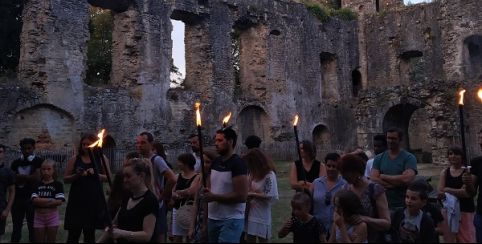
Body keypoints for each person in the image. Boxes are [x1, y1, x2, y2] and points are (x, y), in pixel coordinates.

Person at [203, 128, 248, 243]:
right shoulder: (216, 162)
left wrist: (214, 197)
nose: (216, 144)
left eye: (220, 140)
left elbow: (241, 196)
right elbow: (210, 192)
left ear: (230, 142)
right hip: (213, 218)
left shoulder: (238, 164)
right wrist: (205, 220)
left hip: (231, 219)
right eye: (215, 140)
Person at [64, 134, 110, 243]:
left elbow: (108, 177)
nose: (85, 146)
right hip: (77, 200)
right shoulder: (75, 158)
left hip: (93, 200)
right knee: (73, 234)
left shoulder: (101, 158)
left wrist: (96, 174)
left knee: (89, 234)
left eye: (88, 144)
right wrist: (77, 175)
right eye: (83, 144)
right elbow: (65, 179)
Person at [98, 158, 158, 242]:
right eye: (124, 176)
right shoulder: (127, 196)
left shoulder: (150, 200)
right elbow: (114, 224)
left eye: (128, 176)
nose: (125, 180)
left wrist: (122, 233)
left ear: (141, 176)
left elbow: (147, 235)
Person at [338, 154, 391, 242]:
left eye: (345, 173)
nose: (343, 177)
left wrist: (365, 219)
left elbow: (387, 223)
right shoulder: (345, 189)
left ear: (356, 171)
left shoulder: (375, 190)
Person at [137, 131, 176, 242]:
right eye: (138, 143)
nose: (140, 145)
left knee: (158, 235)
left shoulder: (157, 160)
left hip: (156, 204)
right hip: (143, 203)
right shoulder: (139, 160)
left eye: (143, 143)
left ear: (151, 144)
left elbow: (172, 178)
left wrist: (162, 196)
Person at [370, 127, 417, 210]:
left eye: (394, 138)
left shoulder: (409, 158)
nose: (390, 141)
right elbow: (373, 179)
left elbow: (407, 179)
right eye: (388, 138)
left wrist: (383, 176)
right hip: (383, 204)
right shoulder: (379, 158)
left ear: (400, 140)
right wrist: (393, 184)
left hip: (403, 204)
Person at [438, 146, 476, 243]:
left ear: (462, 156)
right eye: (450, 154)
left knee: (467, 239)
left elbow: (466, 193)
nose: (453, 156)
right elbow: (440, 192)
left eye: (456, 154)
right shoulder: (445, 172)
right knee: (450, 239)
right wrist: (452, 191)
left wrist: (448, 189)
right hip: (449, 212)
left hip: (465, 211)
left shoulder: (467, 172)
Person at [242, 148, 279, 243]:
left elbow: (269, 194)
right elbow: (247, 188)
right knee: (250, 239)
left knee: (264, 240)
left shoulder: (269, 175)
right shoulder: (252, 174)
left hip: (262, 214)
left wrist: (252, 194)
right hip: (251, 212)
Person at [10, 138, 42, 243]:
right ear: (21, 149)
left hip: (32, 198)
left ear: (34, 148)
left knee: (32, 226)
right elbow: (12, 178)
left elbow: (37, 178)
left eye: (29, 148)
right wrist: (28, 177)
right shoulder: (15, 163)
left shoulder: (38, 161)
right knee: (16, 227)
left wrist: (19, 176)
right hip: (17, 198)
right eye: (24, 149)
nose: (27, 151)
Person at [311, 153, 346, 236]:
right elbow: (309, 204)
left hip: (337, 230)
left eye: (334, 166)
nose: (331, 169)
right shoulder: (316, 183)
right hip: (317, 229)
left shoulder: (344, 185)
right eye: (328, 166)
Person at [31, 160, 65, 243]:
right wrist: (51, 200)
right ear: (41, 170)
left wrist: (41, 200)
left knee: (51, 240)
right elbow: (34, 200)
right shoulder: (36, 184)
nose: (46, 171)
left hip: (52, 216)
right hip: (38, 216)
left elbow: (59, 201)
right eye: (43, 169)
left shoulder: (58, 185)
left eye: (49, 169)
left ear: (54, 170)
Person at [170, 153, 200, 243]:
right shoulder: (177, 176)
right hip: (177, 210)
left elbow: (191, 191)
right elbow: (172, 191)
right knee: (177, 237)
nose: (178, 164)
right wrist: (176, 194)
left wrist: (179, 193)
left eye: (179, 162)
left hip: (189, 210)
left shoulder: (197, 177)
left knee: (189, 237)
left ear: (186, 163)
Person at [465, 128, 482, 242]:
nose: (480, 143)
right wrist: (468, 183)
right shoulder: (477, 162)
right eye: (480, 139)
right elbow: (472, 192)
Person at [0, 144, 15, 241]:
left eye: (0, 151)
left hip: (0, 207)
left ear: (3, 154)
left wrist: (7, 210)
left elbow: (12, 192)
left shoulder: (8, 172)